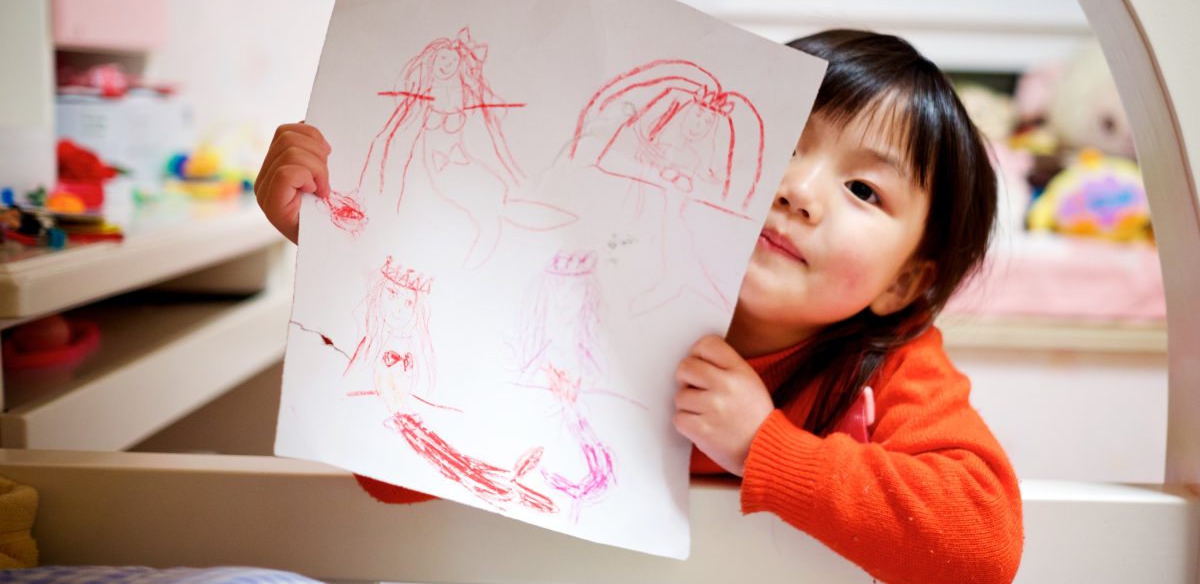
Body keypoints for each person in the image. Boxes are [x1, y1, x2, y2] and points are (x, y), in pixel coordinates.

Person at [255, 29, 1022, 584]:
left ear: (903, 285)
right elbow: (392, 477)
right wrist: (341, 250)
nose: (798, 189)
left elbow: (984, 546)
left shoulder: (890, 365)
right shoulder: (590, 296)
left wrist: (763, 447)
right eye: (786, 142)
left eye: (863, 189)